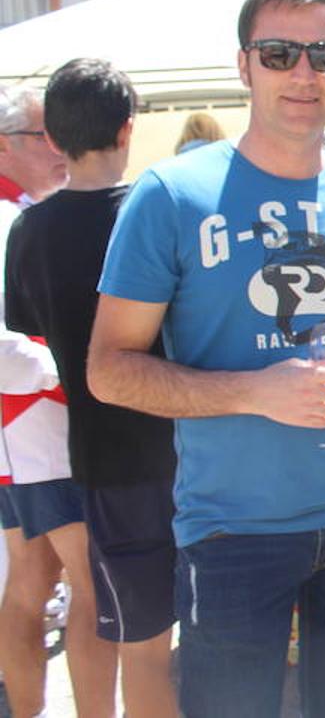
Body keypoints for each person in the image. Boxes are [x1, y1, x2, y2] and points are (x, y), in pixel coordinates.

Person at [87, 0, 325, 718]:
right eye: (279, 52)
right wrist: (251, 391)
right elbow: (108, 370)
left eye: (323, 54)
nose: (304, 72)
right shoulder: (171, 195)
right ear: (245, 65)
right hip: (235, 530)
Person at [5, 59, 178, 718]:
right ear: (129, 128)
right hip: (186, 444)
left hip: (98, 459)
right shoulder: (156, 211)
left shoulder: (29, 228)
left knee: (137, 640)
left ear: (52, 136)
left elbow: (28, 325)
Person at [0, 85, 107, 718]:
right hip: (40, 424)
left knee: (33, 581)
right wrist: (75, 369)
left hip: (29, 429)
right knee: (89, 583)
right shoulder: (13, 217)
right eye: (45, 136)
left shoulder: (24, 209)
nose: (59, 147)